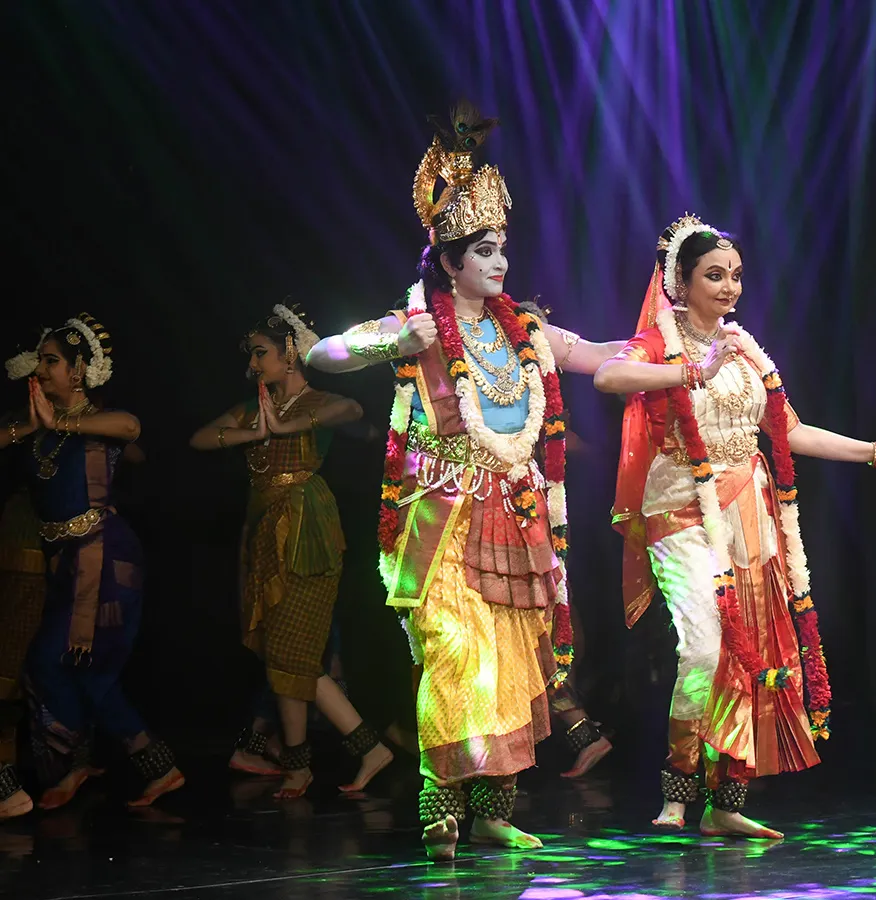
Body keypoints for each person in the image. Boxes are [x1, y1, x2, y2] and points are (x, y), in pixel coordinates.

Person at [306, 104, 622, 860]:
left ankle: (494, 810)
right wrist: (389, 343)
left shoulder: (522, 330)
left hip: (512, 518)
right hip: (437, 519)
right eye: (484, 250)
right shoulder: (416, 329)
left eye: (503, 248)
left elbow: (599, 355)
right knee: (455, 655)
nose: (500, 263)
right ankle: (439, 808)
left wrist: (682, 355)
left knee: (512, 660)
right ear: (449, 261)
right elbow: (321, 353)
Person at [594, 214, 876, 838]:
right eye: (714, 276)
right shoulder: (659, 346)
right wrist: (689, 371)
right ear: (680, 283)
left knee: (752, 653)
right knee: (702, 647)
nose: (729, 288)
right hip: (681, 514)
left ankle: (726, 803)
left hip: (750, 516)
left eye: (737, 276)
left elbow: (789, 433)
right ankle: (676, 788)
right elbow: (609, 376)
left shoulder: (748, 351)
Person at [190, 304, 393, 799]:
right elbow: (200, 438)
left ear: (290, 355)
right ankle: (329, 758)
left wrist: (285, 428)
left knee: (292, 651)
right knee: (284, 653)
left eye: (262, 354)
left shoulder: (314, 401)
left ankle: (340, 754)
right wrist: (254, 432)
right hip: (261, 531)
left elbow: (353, 410)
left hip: (306, 527)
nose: (253, 365)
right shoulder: (253, 407)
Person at [0, 315, 183, 810]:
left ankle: (140, 766)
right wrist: (32, 424)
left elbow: (132, 427)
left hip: (106, 560)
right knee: (55, 666)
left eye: (51, 361)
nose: (40, 369)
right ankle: (98, 763)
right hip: (66, 563)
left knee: (78, 664)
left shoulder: (94, 423)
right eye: (40, 359)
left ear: (79, 370)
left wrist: (57, 421)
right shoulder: (37, 428)